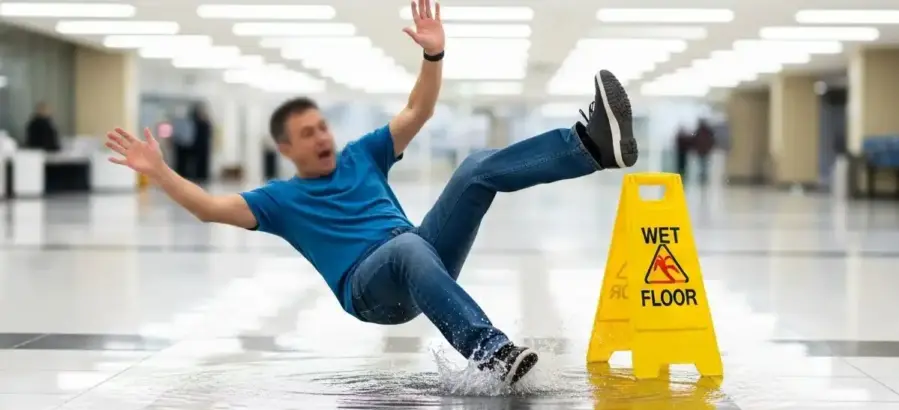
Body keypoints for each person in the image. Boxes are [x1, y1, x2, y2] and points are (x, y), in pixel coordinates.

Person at [103, 0, 637, 390]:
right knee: (406, 249)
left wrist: (434, 55)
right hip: (371, 289)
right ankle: (491, 352)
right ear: (286, 148)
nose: (322, 137)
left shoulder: (362, 154)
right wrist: (159, 171)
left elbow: (418, 110)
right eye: (307, 133)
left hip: (418, 254)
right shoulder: (279, 200)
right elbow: (207, 208)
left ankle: (590, 147)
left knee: (474, 170)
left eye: (322, 126)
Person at [191, 103, 213, 184]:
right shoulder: (196, 122)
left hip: (205, 146)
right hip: (197, 146)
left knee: (204, 162)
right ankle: (198, 176)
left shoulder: (206, 123)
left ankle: (203, 176)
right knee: (197, 162)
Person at [693, 119, 715, 186]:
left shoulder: (700, 131)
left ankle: (703, 177)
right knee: (703, 164)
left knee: (702, 164)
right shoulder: (706, 131)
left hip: (702, 151)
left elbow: (695, 141)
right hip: (704, 151)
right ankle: (703, 177)